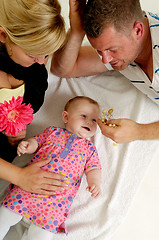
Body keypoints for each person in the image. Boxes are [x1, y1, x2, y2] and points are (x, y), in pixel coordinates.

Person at [51, 0, 159, 144]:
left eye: (112, 49)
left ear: (138, 31)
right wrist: (77, 31)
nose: (105, 60)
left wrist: (139, 131)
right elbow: (63, 69)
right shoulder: (122, 46)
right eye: (99, 51)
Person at [0, 96, 101, 239]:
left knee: (42, 235)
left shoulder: (89, 149)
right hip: (27, 188)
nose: (89, 122)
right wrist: (28, 145)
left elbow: (94, 168)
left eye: (94, 120)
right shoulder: (52, 132)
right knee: (4, 217)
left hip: (55, 202)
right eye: (84, 116)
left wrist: (94, 183)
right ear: (66, 117)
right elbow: (36, 142)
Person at [0, 0, 67, 196]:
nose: (41, 61)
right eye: (33, 54)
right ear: (3, 35)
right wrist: (19, 176)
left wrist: (14, 133)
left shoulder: (34, 73)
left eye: (46, 54)